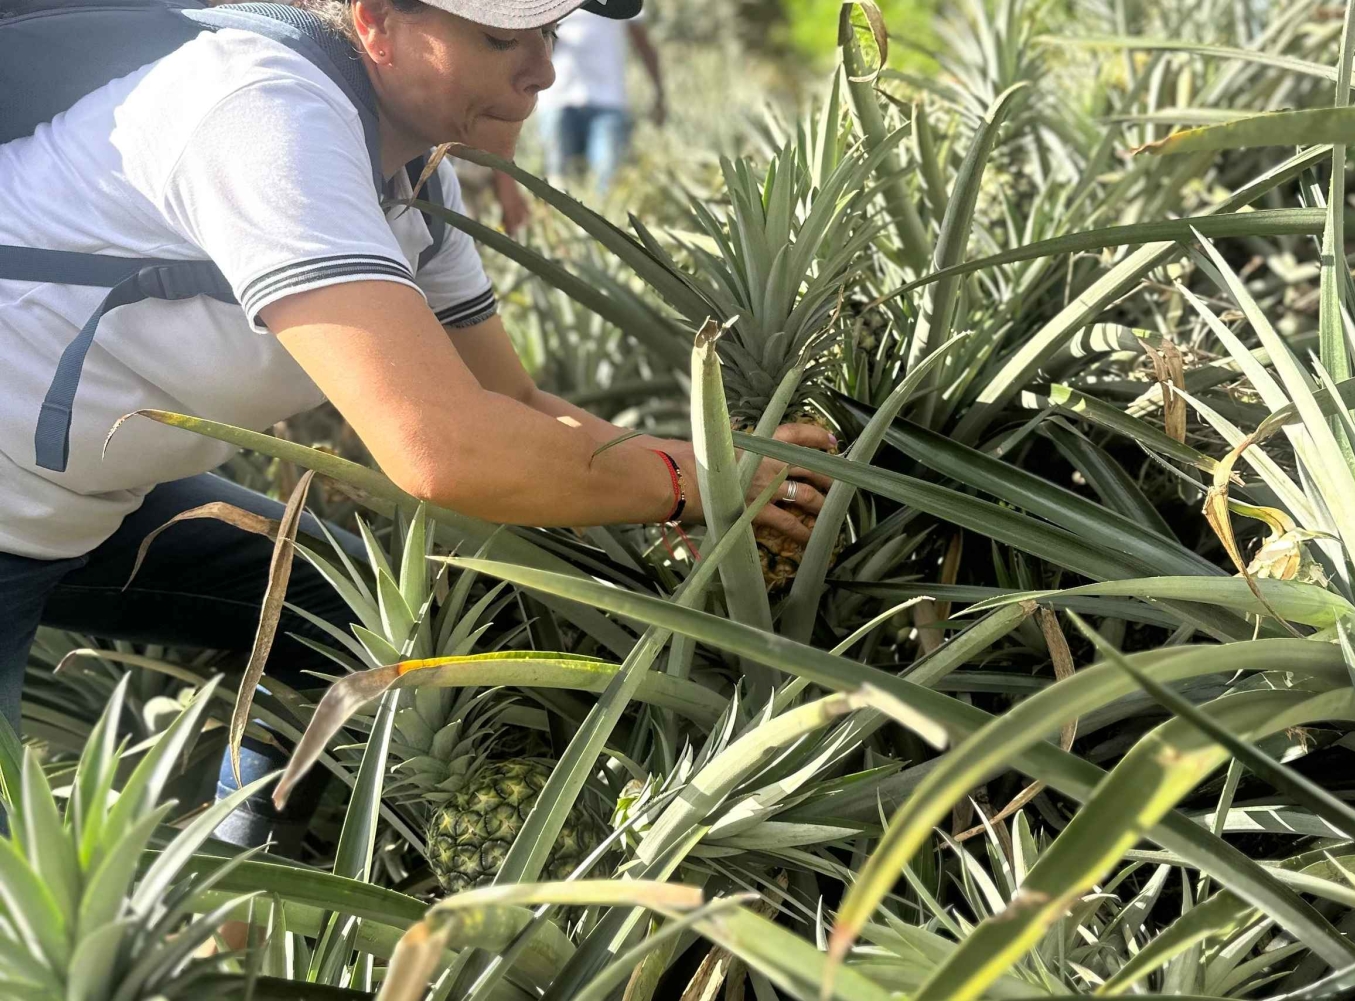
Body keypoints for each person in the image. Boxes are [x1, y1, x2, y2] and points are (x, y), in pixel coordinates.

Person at [0, 0, 830, 850]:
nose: (542, 69)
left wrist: (714, 472)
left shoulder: (414, 172)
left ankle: (236, 883)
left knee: (359, 633)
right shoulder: (261, 113)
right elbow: (442, 449)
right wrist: (688, 487)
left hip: (96, 500)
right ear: (375, 23)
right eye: (501, 37)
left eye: (547, 35)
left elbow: (509, 404)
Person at [535, 9, 665, 193]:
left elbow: (642, 43)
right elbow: (534, 43)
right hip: (557, 98)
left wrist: (659, 93)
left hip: (608, 102)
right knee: (558, 184)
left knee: (608, 184)